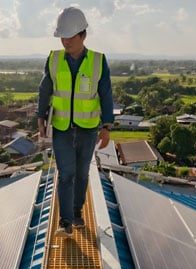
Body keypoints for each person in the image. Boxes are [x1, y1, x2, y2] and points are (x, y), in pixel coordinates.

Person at [38, 6, 113, 238]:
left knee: (81, 175)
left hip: (88, 130)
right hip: (61, 128)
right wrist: (40, 118)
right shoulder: (54, 59)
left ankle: (77, 212)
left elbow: (106, 94)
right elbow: (44, 90)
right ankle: (65, 222)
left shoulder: (98, 61)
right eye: (62, 36)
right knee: (66, 174)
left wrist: (107, 126)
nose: (65, 41)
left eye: (70, 36)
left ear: (82, 35)